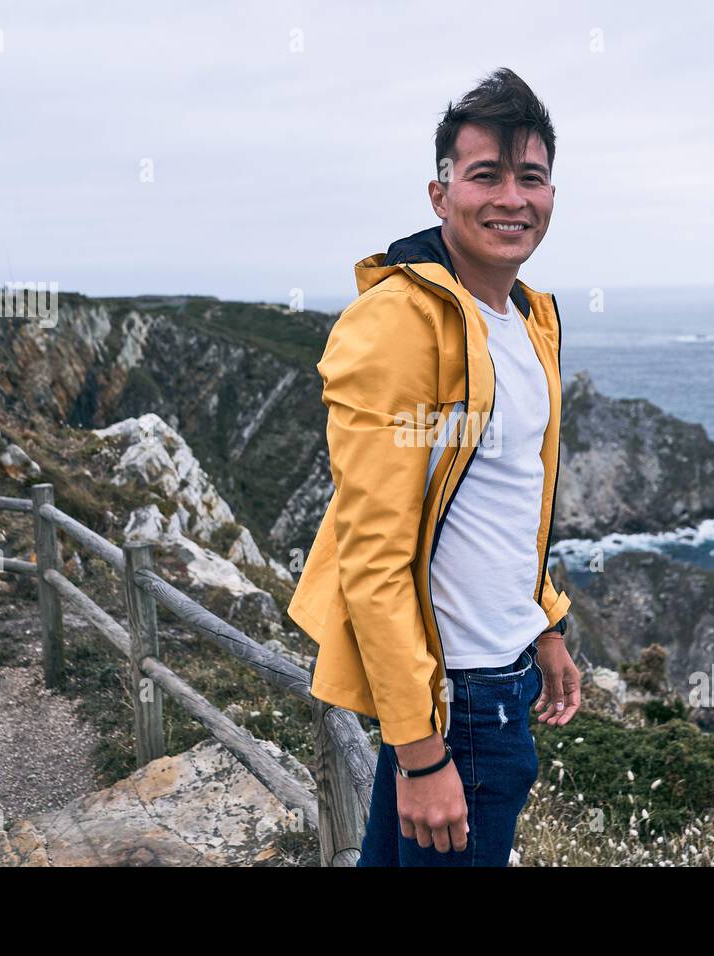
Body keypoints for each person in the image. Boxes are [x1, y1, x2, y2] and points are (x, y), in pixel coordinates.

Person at [286, 67, 581, 867]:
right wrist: (420, 752)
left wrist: (544, 621)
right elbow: (373, 551)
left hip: (496, 676)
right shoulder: (398, 323)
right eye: (485, 175)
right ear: (439, 192)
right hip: (457, 702)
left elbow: (511, 501)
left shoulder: (527, 318)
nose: (512, 199)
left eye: (532, 177)